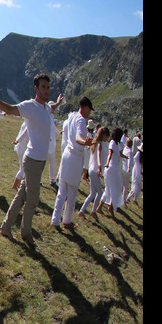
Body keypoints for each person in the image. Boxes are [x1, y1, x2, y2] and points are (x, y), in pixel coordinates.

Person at [0, 74, 55, 248]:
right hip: (32, 160)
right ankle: (26, 232)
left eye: (48, 87)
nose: (46, 90)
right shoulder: (30, 106)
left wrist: (59, 103)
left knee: (22, 194)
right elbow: (9, 109)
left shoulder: (46, 108)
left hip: (40, 160)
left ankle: (6, 227)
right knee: (32, 199)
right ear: (36, 88)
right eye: (43, 87)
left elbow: (53, 108)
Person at [49, 98, 94, 229]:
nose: (89, 113)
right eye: (89, 110)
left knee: (62, 191)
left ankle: (55, 220)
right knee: (72, 193)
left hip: (67, 155)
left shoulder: (72, 116)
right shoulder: (80, 120)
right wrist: (85, 142)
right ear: (85, 108)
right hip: (74, 157)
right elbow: (78, 137)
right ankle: (67, 221)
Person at [78, 125, 110, 220]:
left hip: (92, 169)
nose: (107, 138)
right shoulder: (99, 144)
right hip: (95, 170)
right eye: (107, 136)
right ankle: (93, 211)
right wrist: (100, 167)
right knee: (99, 193)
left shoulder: (95, 143)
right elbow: (99, 155)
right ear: (103, 135)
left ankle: (82, 211)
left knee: (93, 193)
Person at [97, 127, 127, 215]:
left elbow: (119, 154)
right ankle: (109, 207)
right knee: (115, 188)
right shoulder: (113, 143)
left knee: (112, 189)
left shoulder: (117, 144)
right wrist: (107, 163)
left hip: (114, 169)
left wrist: (125, 157)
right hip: (111, 169)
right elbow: (110, 154)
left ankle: (106, 207)